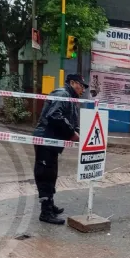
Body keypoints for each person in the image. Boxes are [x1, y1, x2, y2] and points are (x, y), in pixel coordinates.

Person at [32, 73, 86, 224]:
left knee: (51, 174)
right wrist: (71, 132)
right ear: (73, 83)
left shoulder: (71, 98)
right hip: (46, 139)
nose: (83, 89)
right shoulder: (62, 94)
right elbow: (54, 115)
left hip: (53, 142)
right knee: (44, 174)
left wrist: (79, 133)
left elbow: (71, 122)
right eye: (81, 85)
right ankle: (45, 212)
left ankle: (49, 203)